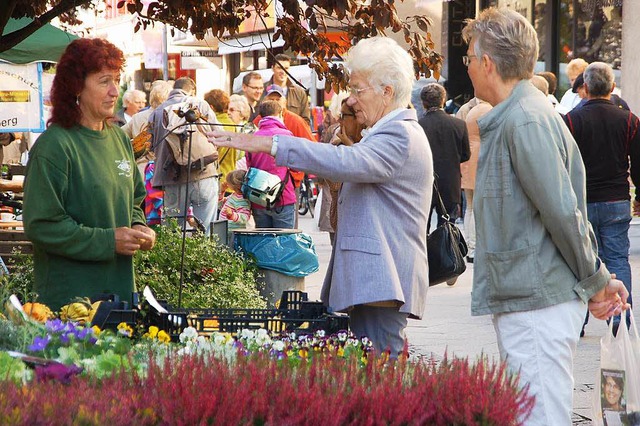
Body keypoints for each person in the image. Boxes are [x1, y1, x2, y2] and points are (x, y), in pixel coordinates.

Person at [209, 36, 433, 356]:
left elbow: (346, 163)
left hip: (382, 280)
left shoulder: (399, 133)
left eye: (358, 90)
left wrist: (268, 144)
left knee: (382, 373)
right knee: (374, 374)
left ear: (387, 91)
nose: (352, 101)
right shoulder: (389, 132)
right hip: (376, 282)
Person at [462, 8, 629, 424]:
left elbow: (562, 211)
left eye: (468, 57)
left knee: (539, 417)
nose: (466, 66)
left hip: (536, 302)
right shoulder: (522, 115)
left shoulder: (525, 120)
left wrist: (595, 280)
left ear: (487, 63)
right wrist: (599, 277)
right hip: (532, 297)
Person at [23, 38, 156, 311]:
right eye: (104, 81)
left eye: (116, 80)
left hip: (119, 297)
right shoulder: (55, 146)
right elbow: (42, 225)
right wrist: (108, 241)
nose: (113, 91)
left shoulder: (119, 140)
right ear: (76, 87)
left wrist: (138, 226)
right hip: (69, 304)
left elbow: (134, 200)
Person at [563, 62, 640, 336]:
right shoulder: (629, 120)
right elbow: (639, 164)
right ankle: (619, 317)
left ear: (585, 86)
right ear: (612, 86)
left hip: (582, 200)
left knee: (582, 260)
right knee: (618, 258)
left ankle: (579, 320)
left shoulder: (571, 120)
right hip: (616, 199)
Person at [148, 77, 220, 233]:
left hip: (172, 178)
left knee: (173, 232)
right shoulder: (199, 104)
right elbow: (219, 134)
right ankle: (206, 257)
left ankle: (175, 258)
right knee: (206, 230)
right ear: (192, 90)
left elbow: (150, 145)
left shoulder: (157, 112)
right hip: (203, 174)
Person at [418, 83, 470, 238]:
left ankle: (424, 259)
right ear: (443, 100)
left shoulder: (418, 126)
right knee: (447, 231)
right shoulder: (458, 125)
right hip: (450, 181)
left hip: (424, 182)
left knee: (421, 229)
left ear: (423, 102)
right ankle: (446, 261)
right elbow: (466, 155)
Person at [246, 100, 297, 229]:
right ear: (280, 114)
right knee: (285, 240)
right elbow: (296, 165)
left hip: (259, 197)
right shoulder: (287, 136)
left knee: (263, 240)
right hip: (283, 196)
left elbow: (249, 166)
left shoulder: (253, 138)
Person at [460, 99, 492, 264]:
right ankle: (474, 247)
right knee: (477, 208)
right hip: (481, 159)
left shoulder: (469, 111)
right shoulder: (488, 109)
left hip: (468, 159)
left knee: (470, 207)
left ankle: (470, 246)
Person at [122, 80, 172, 175]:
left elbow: (119, 136)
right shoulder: (171, 117)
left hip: (142, 171)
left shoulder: (138, 117)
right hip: (164, 172)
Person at [264, 54, 311, 125]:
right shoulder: (262, 89)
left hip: (292, 134)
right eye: (279, 68)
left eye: (286, 68)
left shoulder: (299, 92)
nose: (282, 71)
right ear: (272, 68)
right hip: (268, 134)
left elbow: (305, 121)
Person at [219, 169, 252, 241]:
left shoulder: (242, 200)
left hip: (233, 234)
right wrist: (222, 191)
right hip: (226, 231)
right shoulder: (234, 196)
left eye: (228, 182)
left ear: (236, 186)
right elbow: (220, 205)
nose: (226, 183)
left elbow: (245, 217)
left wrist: (232, 215)